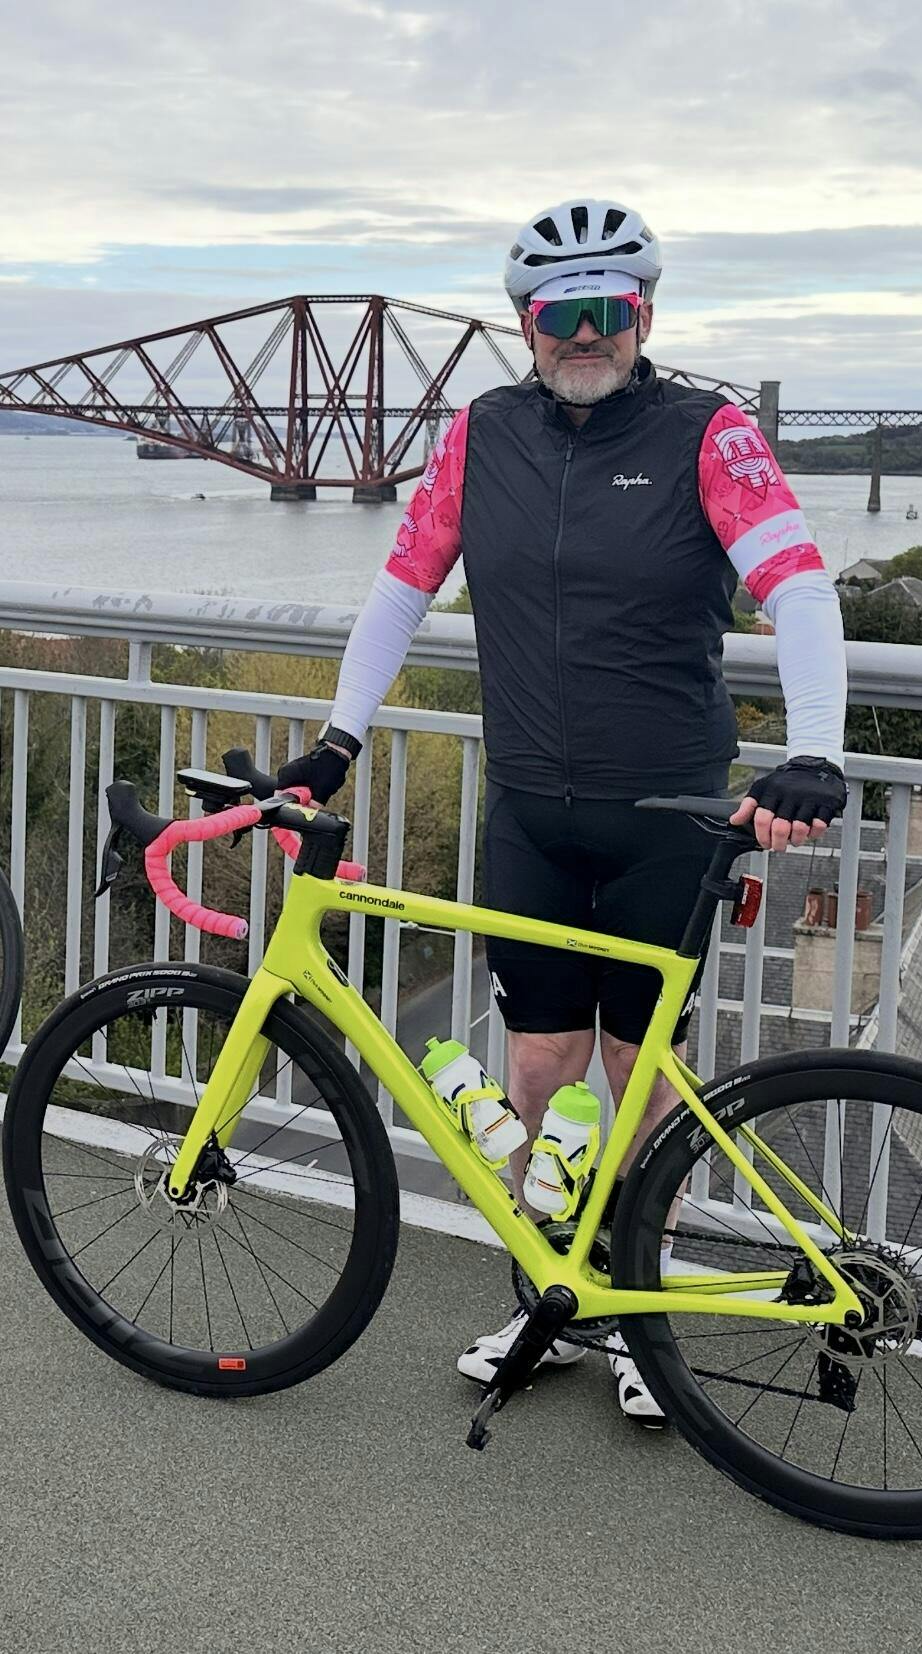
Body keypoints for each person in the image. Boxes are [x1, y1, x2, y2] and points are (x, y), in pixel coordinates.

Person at [278, 197, 848, 1424]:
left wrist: (815, 750)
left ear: (645, 314)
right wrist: (337, 741)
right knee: (539, 1065)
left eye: (610, 308)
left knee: (640, 1074)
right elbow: (399, 591)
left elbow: (799, 587)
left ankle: (640, 1308)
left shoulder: (710, 431)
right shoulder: (480, 435)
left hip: (669, 813)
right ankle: (559, 1292)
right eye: (559, 312)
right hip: (531, 805)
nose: (586, 332)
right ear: (524, 324)